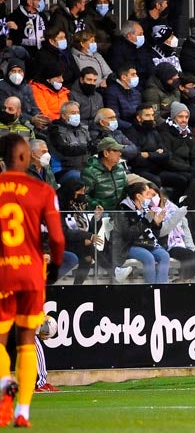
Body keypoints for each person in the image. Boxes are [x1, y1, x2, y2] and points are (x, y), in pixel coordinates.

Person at [0, 135, 65, 428]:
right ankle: (22, 411)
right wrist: (56, 267)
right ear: (27, 158)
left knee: (1, 340)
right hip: (31, 272)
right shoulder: (42, 190)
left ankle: (4, 386)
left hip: (2, 271)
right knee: (27, 339)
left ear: (2, 159)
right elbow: (58, 238)